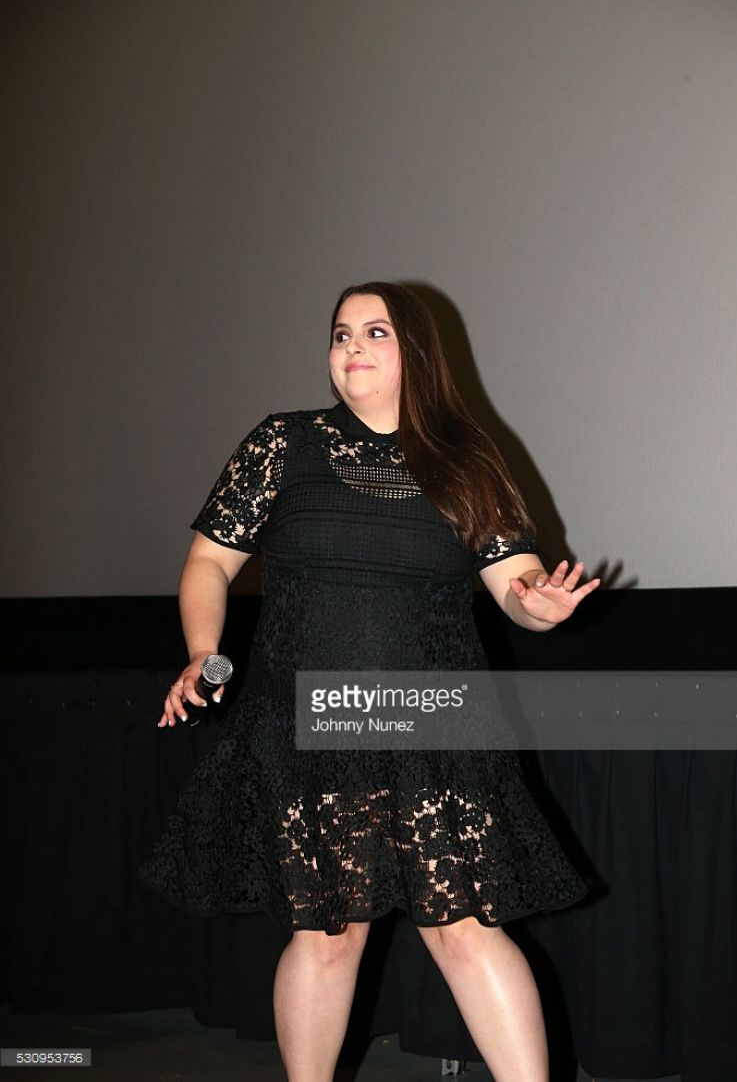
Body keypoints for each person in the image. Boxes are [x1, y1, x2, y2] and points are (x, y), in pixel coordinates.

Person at [137, 281, 600, 1082]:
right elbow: (210, 560)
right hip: (309, 722)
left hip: (428, 726)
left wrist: (542, 607)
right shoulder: (284, 443)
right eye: (341, 332)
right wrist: (204, 652)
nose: (352, 346)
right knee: (328, 932)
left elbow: (517, 585)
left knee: (462, 925)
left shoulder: (466, 459)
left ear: (414, 350)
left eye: (375, 332)